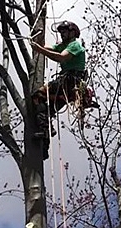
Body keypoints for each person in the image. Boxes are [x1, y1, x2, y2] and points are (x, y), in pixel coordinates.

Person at [30, 21, 87, 157]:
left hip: (69, 83)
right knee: (45, 112)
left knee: (38, 96)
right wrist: (37, 43)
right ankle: (44, 145)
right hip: (66, 87)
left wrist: (40, 50)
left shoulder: (75, 45)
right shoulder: (64, 45)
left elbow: (61, 57)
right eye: (61, 32)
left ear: (72, 32)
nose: (62, 34)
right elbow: (51, 49)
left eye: (64, 32)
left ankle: (45, 131)